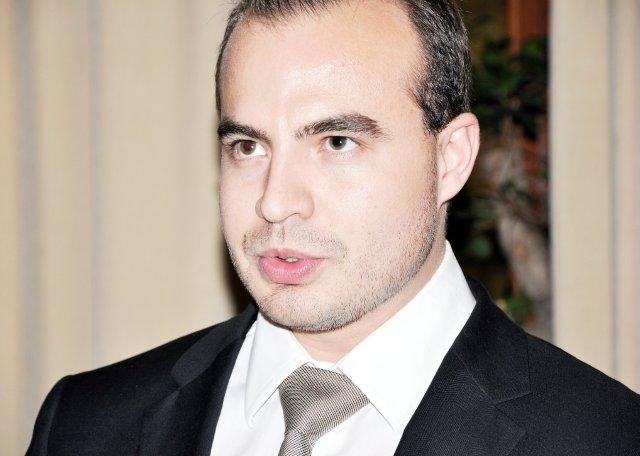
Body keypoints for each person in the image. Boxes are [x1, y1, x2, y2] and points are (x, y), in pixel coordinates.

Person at [27, 0, 640, 454]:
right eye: (248, 146)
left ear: (450, 158)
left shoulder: (605, 438)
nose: (275, 202)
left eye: (337, 141)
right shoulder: (84, 426)